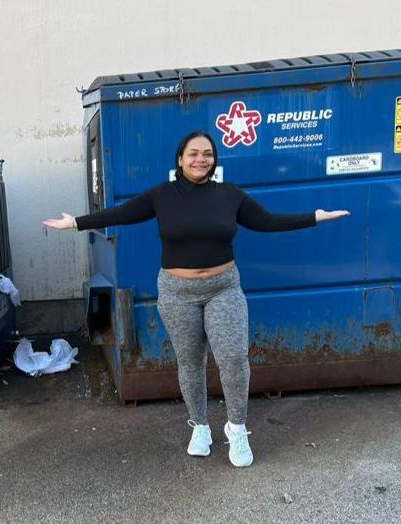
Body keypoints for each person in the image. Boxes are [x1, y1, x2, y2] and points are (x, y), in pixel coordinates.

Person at [42, 130, 349, 467]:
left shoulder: (229, 195)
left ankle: (237, 427)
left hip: (224, 289)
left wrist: (314, 217)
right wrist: (76, 223)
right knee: (190, 362)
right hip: (177, 292)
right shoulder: (163, 195)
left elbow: (267, 222)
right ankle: (200, 426)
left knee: (232, 358)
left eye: (207, 153)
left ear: (214, 160)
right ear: (180, 159)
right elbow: (121, 214)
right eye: (193, 153)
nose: (201, 159)